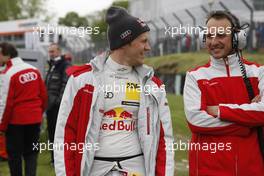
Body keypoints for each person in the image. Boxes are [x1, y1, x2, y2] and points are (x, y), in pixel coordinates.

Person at [54, 6, 174, 176]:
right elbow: (65, 135)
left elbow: (164, 139)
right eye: (143, 41)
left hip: (137, 168)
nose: (148, 47)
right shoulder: (82, 80)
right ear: (125, 42)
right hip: (94, 169)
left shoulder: (153, 85)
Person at [183, 10, 264, 175]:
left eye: (221, 35)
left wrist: (219, 110)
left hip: (250, 169)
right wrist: (246, 124)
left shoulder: (258, 72)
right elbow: (196, 121)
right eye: (209, 36)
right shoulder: (194, 76)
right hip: (207, 170)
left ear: (237, 38)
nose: (213, 42)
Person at [0, 42, 47, 176]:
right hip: (34, 119)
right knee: (31, 154)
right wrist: (38, 113)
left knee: (14, 156)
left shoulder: (8, 74)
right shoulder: (34, 70)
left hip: (16, 122)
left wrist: (2, 126)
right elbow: (43, 96)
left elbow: (5, 103)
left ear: (7, 55)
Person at [45, 43, 71, 164]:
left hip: (58, 106)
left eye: (53, 51)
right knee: (51, 133)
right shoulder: (51, 65)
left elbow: (66, 85)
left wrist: (58, 102)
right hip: (50, 105)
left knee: (58, 134)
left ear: (59, 51)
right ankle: (53, 158)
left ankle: (59, 159)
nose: (51, 54)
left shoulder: (64, 65)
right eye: (49, 51)